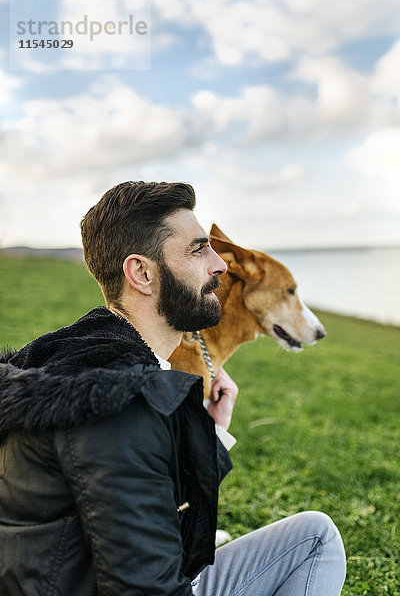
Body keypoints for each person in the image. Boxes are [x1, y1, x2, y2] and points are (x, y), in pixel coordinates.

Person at [0, 181, 346, 595]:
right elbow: (146, 585)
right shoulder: (117, 399)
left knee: (312, 532)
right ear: (142, 273)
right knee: (318, 541)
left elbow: (143, 507)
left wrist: (212, 432)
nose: (220, 265)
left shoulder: (71, 353)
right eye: (199, 249)